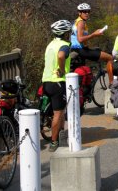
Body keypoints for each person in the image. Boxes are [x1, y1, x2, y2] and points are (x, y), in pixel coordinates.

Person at [42, 20, 72, 152]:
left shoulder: (50, 44)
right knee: (58, 113)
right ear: (65, 33)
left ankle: (61, 135)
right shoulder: (64, 45)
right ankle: (54, 142)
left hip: (46, 81)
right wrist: (62, 69)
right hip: (58, 81)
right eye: (69, 32)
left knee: (57, 111)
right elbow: (61, 56)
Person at [71, 3, 113, 86]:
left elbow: (79, 38)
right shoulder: (81, 22)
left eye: (88, 11)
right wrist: (94, 34)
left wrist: (87, 46)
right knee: (110, 58)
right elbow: (80, 39)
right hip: (80, 50)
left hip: (77, 49)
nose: (87, 13)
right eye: (84, 11)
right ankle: (112, 83)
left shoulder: (77, 21)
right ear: (79, 13)